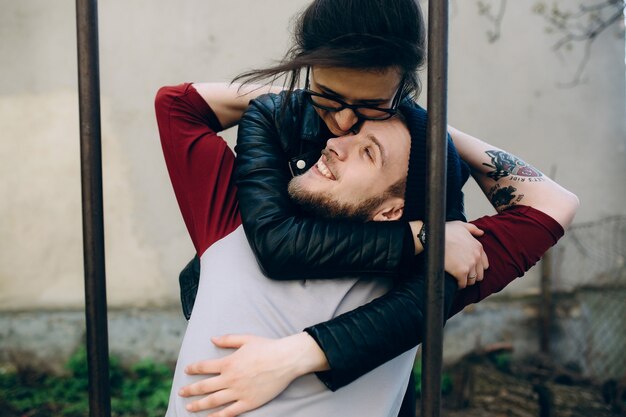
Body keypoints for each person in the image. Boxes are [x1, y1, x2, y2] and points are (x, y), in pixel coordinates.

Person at [166, 0, 577, 416]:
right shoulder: (233, 228)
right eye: (328, 97)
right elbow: (176, 105)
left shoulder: (439, 266)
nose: (341, 128)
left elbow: (554, 204)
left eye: (370, 110)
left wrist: (434, 127)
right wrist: (310, 99)